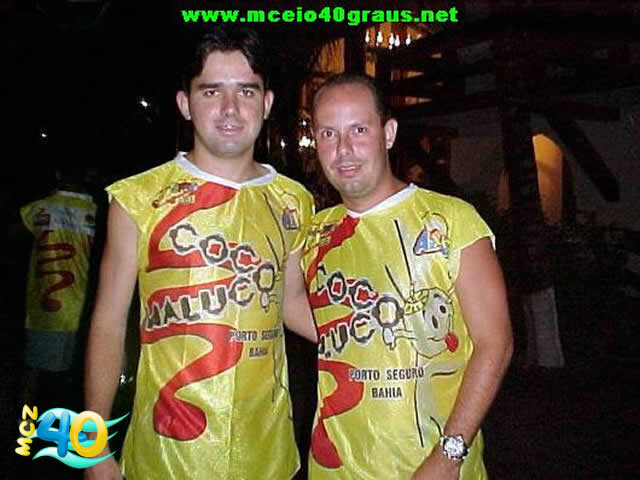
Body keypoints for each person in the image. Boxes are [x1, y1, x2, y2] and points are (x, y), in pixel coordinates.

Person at [84, 26, 314, 480]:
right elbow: (108, 323)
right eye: (211, 91)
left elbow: (289, 303)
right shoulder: (138, 199)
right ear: (185, 103)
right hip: (166, 456)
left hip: (268, 454)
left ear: (267, 103)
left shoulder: (294, 200)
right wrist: (90, 446)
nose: (230, 108)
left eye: (246, 91)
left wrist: (375, 341)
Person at [297, 74, 513, 479]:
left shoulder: (451, 220)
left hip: (433, 465)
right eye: (328, 134)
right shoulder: (315, 233)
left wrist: (449, 455)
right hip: (335, 467)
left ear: (389, 133)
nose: (343, 149)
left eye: (359, 130)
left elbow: (494, 343)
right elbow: (299, 309)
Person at [20, 167, 97, 410]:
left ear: (57, 174)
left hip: (44, 307)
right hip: (83, 307)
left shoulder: (39, 208)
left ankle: (25, 425)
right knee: (78, 375)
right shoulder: (96, 212)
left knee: (34, 371)